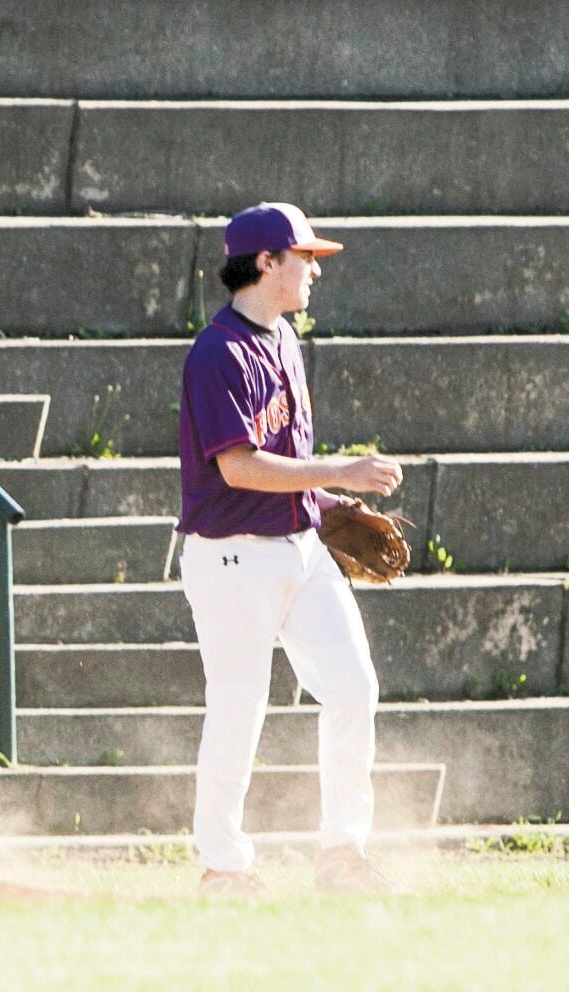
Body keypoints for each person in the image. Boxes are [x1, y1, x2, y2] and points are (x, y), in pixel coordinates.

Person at [177, 202, 405, 896]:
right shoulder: (218, 352)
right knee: (240, 707)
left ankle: (341, 853)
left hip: (297, 545)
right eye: (305, 257)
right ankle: (223, 866)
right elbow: (239, 467)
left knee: (353, 687)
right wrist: (339, 470)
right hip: (230, 556)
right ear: (266, 262)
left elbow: (284, 461)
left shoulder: (284, 341)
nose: (315, 271)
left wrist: (327, 502)